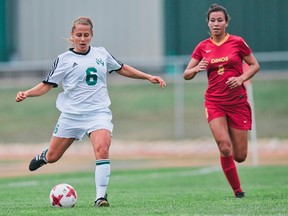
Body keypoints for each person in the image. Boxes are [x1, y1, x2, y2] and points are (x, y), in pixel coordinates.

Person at [15, 16, 166, 207]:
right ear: (72, 36)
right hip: (72, 115)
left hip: (98, 113)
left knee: (102, 149)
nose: (83, 39)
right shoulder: (64, 59)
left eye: (86, 35)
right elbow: (46, 85)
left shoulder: (101, 54)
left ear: (92, 35)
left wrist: (147, 76)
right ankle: (44, 156)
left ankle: (100, 197)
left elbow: (121, 68)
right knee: (53, 157)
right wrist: (27, 93)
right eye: (79, 35)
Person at [183, 4, 260, 198]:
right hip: (214, 102)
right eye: (212, 20)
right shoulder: (203, 46)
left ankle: (232, 161)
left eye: (219, 20)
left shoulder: (237, 42)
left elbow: (254, 65)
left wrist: (241, 78)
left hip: (238, 102)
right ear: (207, 23)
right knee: (224, 146)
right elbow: (186, 74)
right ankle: (238, 191)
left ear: (226, 22)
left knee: (240, 156)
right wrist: (196, 69)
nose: (216, 24)